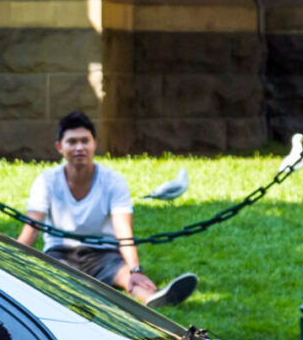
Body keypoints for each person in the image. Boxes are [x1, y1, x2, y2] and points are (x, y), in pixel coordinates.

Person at [16, 111, 197, 308]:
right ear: (60, 147)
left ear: (95, 144)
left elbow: (123, 230)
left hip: (103, 254)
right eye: (72, 142)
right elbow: (32, 228)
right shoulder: (46, 181)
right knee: (60, 274)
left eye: (85, 141)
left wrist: (135, 269)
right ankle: (78, 293)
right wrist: (11, 260)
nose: (79, 147)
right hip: (60, 253)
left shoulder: (113, 181)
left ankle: (154, 298)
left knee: (126, 276)